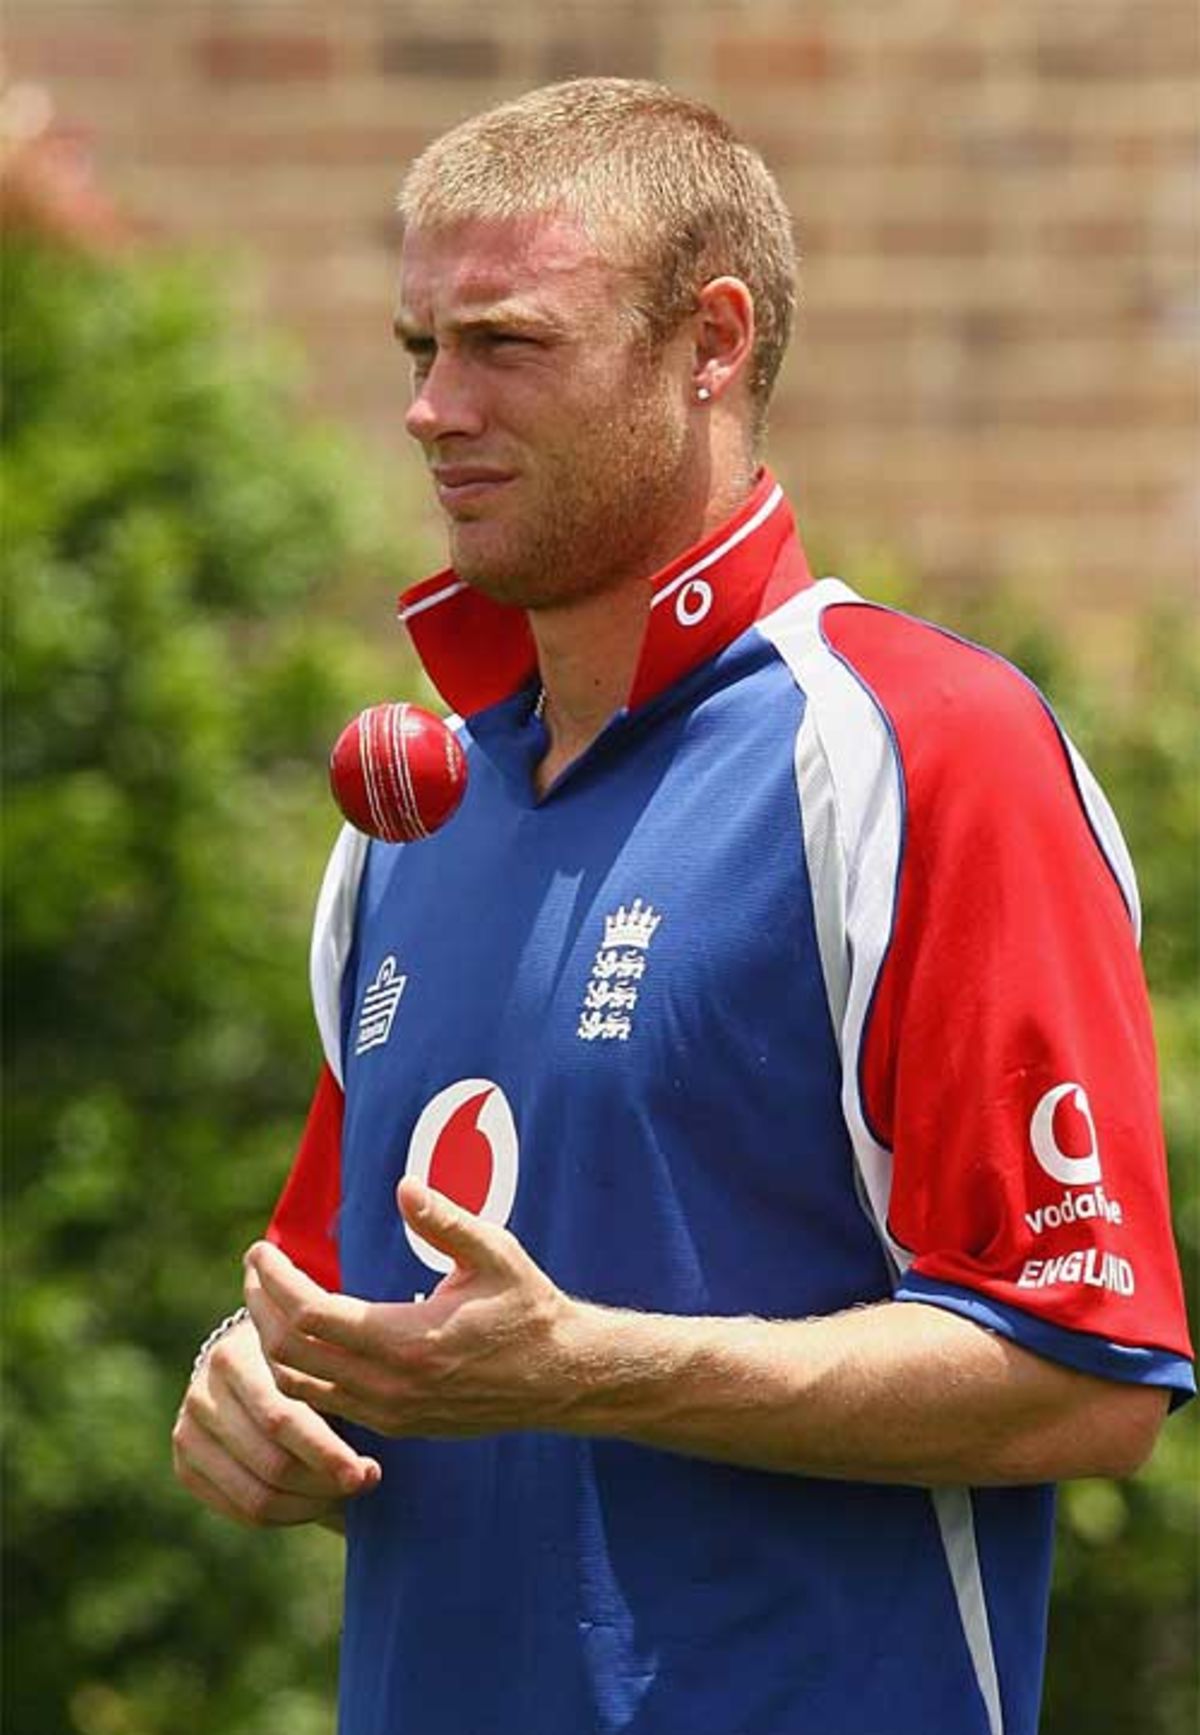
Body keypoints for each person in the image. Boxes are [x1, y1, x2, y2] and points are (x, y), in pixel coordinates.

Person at [172, 78, 1194, 1735]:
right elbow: (338, 1306)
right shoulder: (409, 819)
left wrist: (590, 1369)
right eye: (417, 350)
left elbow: (1085, 1379)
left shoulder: (922, 745)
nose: (433, 410)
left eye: (504, 344)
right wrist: (250, 1378)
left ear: (710, 343)